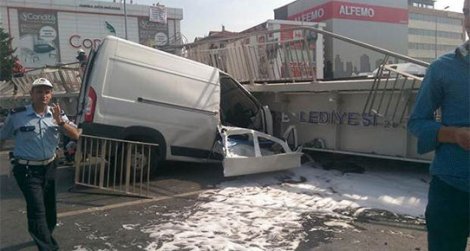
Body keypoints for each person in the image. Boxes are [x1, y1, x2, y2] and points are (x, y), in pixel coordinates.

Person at [407, 1, 470, 251]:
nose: (469, 20)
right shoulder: (442, 68)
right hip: (450, 191)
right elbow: (416, 122)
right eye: (467, 12)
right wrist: (453, 134)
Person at [0, 77, 80, 250]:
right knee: (36, 208)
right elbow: (2, 136)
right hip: (27, 169)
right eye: (39, 92)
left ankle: (43, 233)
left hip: (50, 166)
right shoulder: (17, 115)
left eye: (47, 92)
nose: (43, 95)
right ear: (31, 94)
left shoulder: (57, 114)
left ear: (51, 95)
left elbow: (76, 135)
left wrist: (60, 123)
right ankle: (48, 246)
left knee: (49, 207)